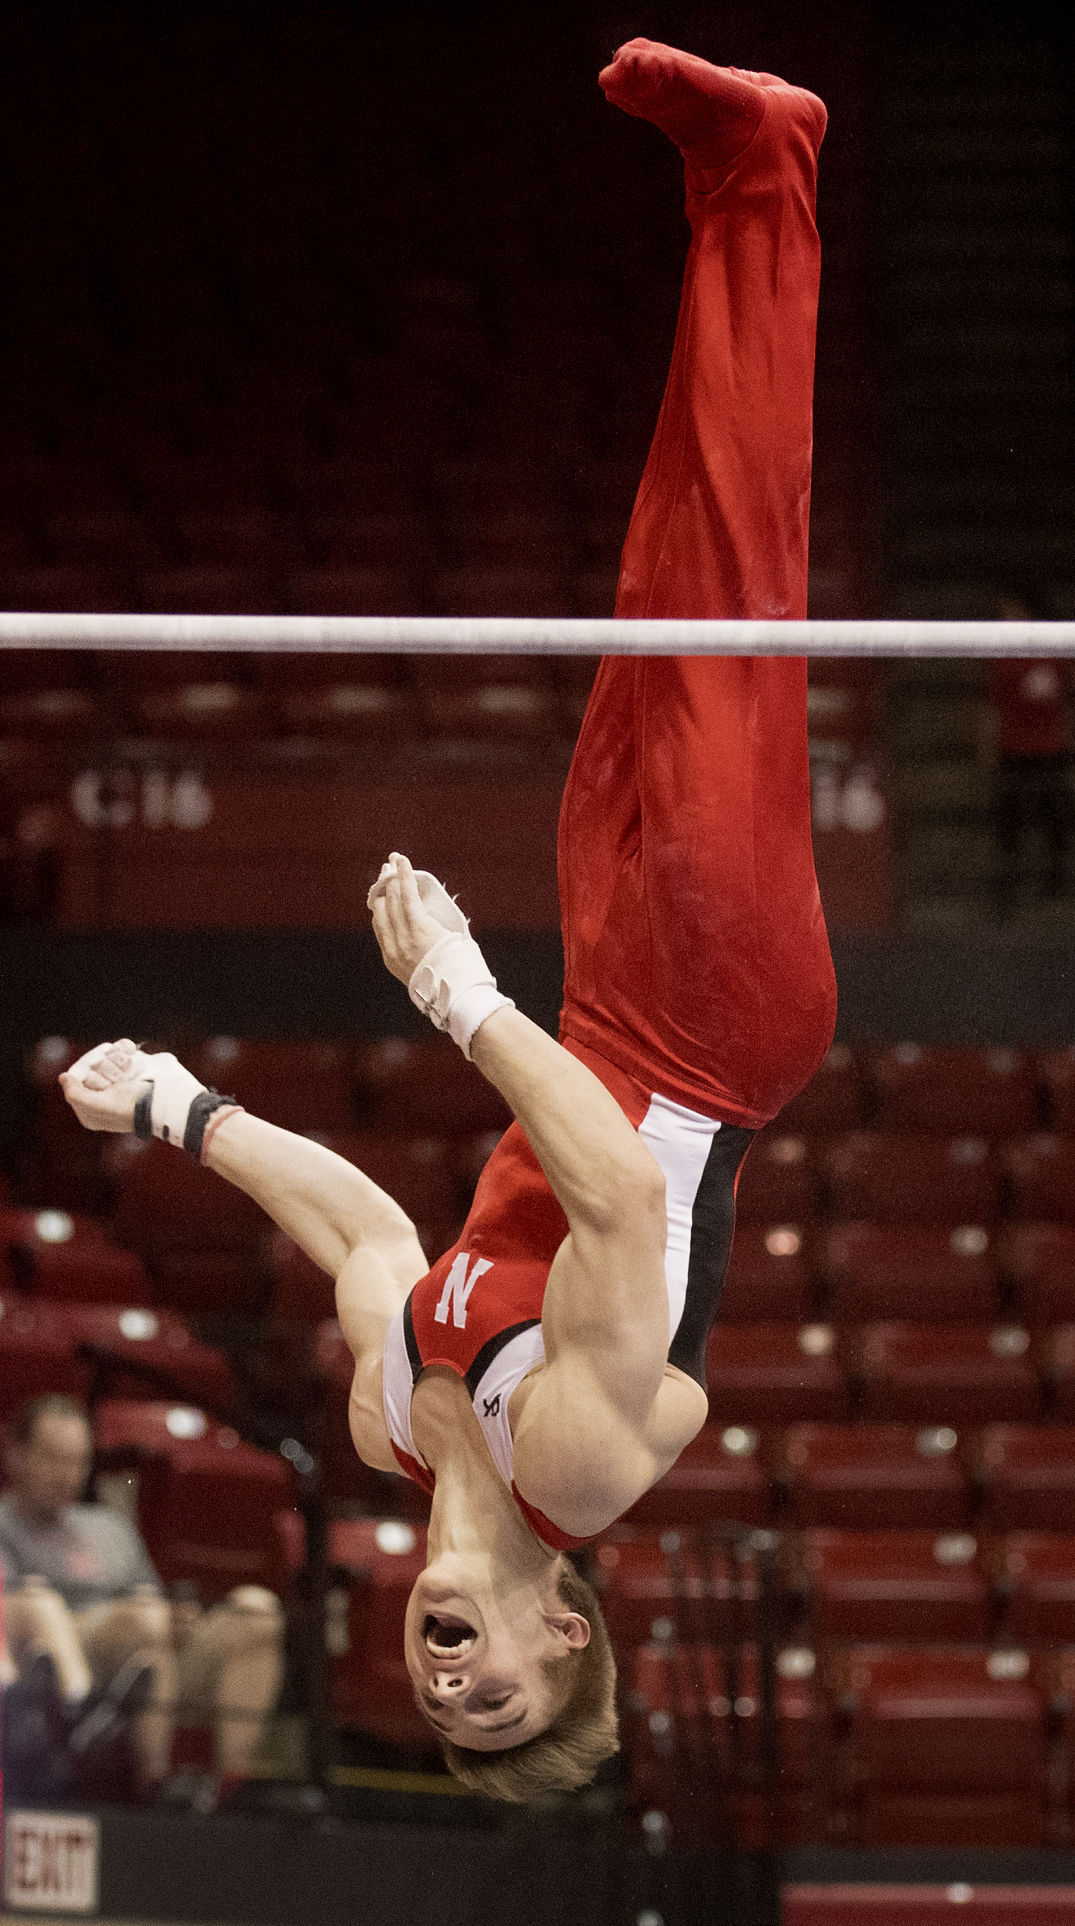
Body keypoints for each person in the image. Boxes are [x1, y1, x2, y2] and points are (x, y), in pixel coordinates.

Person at [60, 38, 836, 1801]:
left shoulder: (395, 1421)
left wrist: (183, 1109)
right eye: (502, 1697)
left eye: (442, 1708)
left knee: (662, 570)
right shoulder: (577, 1460)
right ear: (567, 1631)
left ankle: (738, 184)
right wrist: (467, 996)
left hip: (602, 996)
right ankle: (774, 162)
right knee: (729, 579)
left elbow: (359, 1238)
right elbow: (624, 1192)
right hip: (711, 1027)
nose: (456, 1680)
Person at [0, 1394, 285, 1805]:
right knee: (143, 1622)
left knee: (257, 1613)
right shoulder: (5, 1522)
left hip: (147, 1658)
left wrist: (179, 1620)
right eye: (52, 1459)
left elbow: (152, 1601)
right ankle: (155, 1781)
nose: (67, 1475)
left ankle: (231, 1787)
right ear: (15, 1454)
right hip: (62, 1657)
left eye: (77, 1462)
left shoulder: (109, 1528)